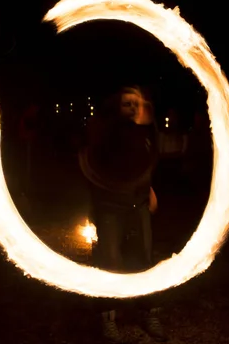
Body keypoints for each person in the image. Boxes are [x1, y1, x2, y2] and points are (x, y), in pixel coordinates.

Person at [79, 86, 167, 343]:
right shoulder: (107, 131)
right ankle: (108, 317)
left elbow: (145, 162)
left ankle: (149, 311)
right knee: (110, 261)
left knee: (144, 259)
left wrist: (148, 188)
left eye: (136, 103)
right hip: (110, 206)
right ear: (117, 107)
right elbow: (95, 164)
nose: (133, 107)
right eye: (127, 103)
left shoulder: (145, 132)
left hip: (137, 203)